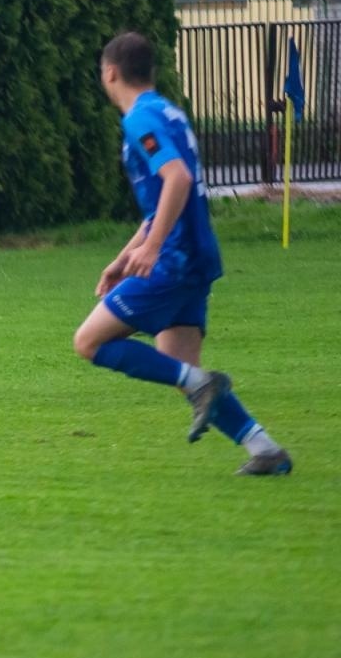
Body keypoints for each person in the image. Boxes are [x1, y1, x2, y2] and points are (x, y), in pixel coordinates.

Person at [72, 32, 291, 475]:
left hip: (174, 257)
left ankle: (204, 386)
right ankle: (265, 449)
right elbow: (162, 200)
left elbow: (177, 180)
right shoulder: (168, 112)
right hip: (193, 254)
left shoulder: (140, 119)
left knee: (89, 342)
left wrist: (151, 249)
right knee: (181, 370)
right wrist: (125, 253)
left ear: (110, 72)